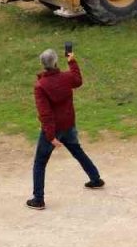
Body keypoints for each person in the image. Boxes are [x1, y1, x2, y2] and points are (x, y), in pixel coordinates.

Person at [28, 45, 104, 210]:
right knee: (77, 151)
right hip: (69, 124)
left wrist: (50, 136)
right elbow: (78, 80)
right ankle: (95, 179)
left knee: (40, 162)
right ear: (56, 62)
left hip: (54, 129)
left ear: (43, 64)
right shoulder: (65, 78)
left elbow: (45, 113)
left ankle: (38, 199)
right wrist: (72, 61)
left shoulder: (40, 86)